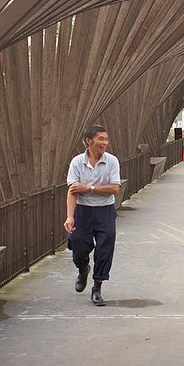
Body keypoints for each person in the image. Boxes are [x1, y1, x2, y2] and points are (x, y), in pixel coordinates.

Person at [65, 125, 122, 306]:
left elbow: (114, 188)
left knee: (105, 248)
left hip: (105, 210)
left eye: (106, 139)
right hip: (83, 211)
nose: (104, 143)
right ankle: (83, 269)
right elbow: (73, 191)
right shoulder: (76, 162)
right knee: (78, 246)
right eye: (100, 139)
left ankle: (97, 288)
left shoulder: (112, 161)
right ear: (89, 141)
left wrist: (88, 188)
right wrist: (70, 217)